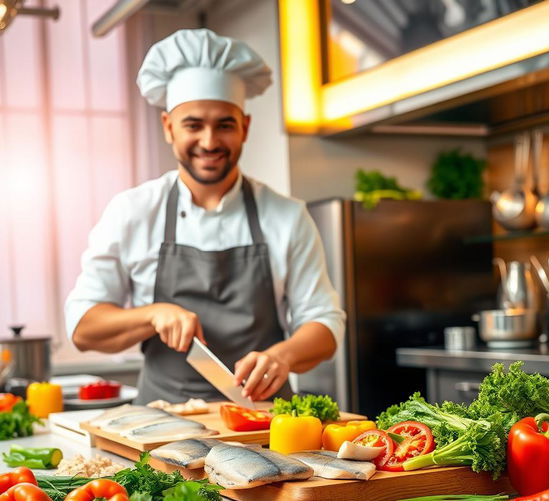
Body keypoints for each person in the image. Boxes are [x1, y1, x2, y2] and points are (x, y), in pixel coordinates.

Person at [65, 29, 345, 405]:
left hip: (263, 422)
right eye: (193, 125)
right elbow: (83, 327)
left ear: (244, 127)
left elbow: (325, 324)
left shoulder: (287, 216)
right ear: (168, 127)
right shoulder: (132, 211)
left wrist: (282, 355)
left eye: (224, 124)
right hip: (162, 424)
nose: (210, 141)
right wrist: (153, 314)